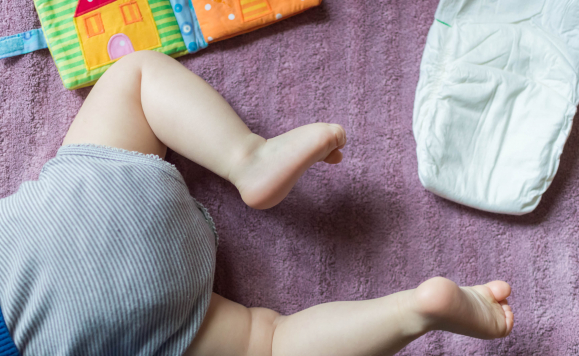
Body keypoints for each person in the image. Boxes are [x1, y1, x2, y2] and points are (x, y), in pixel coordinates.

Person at [0, 50, 513, 356]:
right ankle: (247, 157)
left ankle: (414, 310)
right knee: (133, 78)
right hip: (71, 222)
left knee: (269, 343)